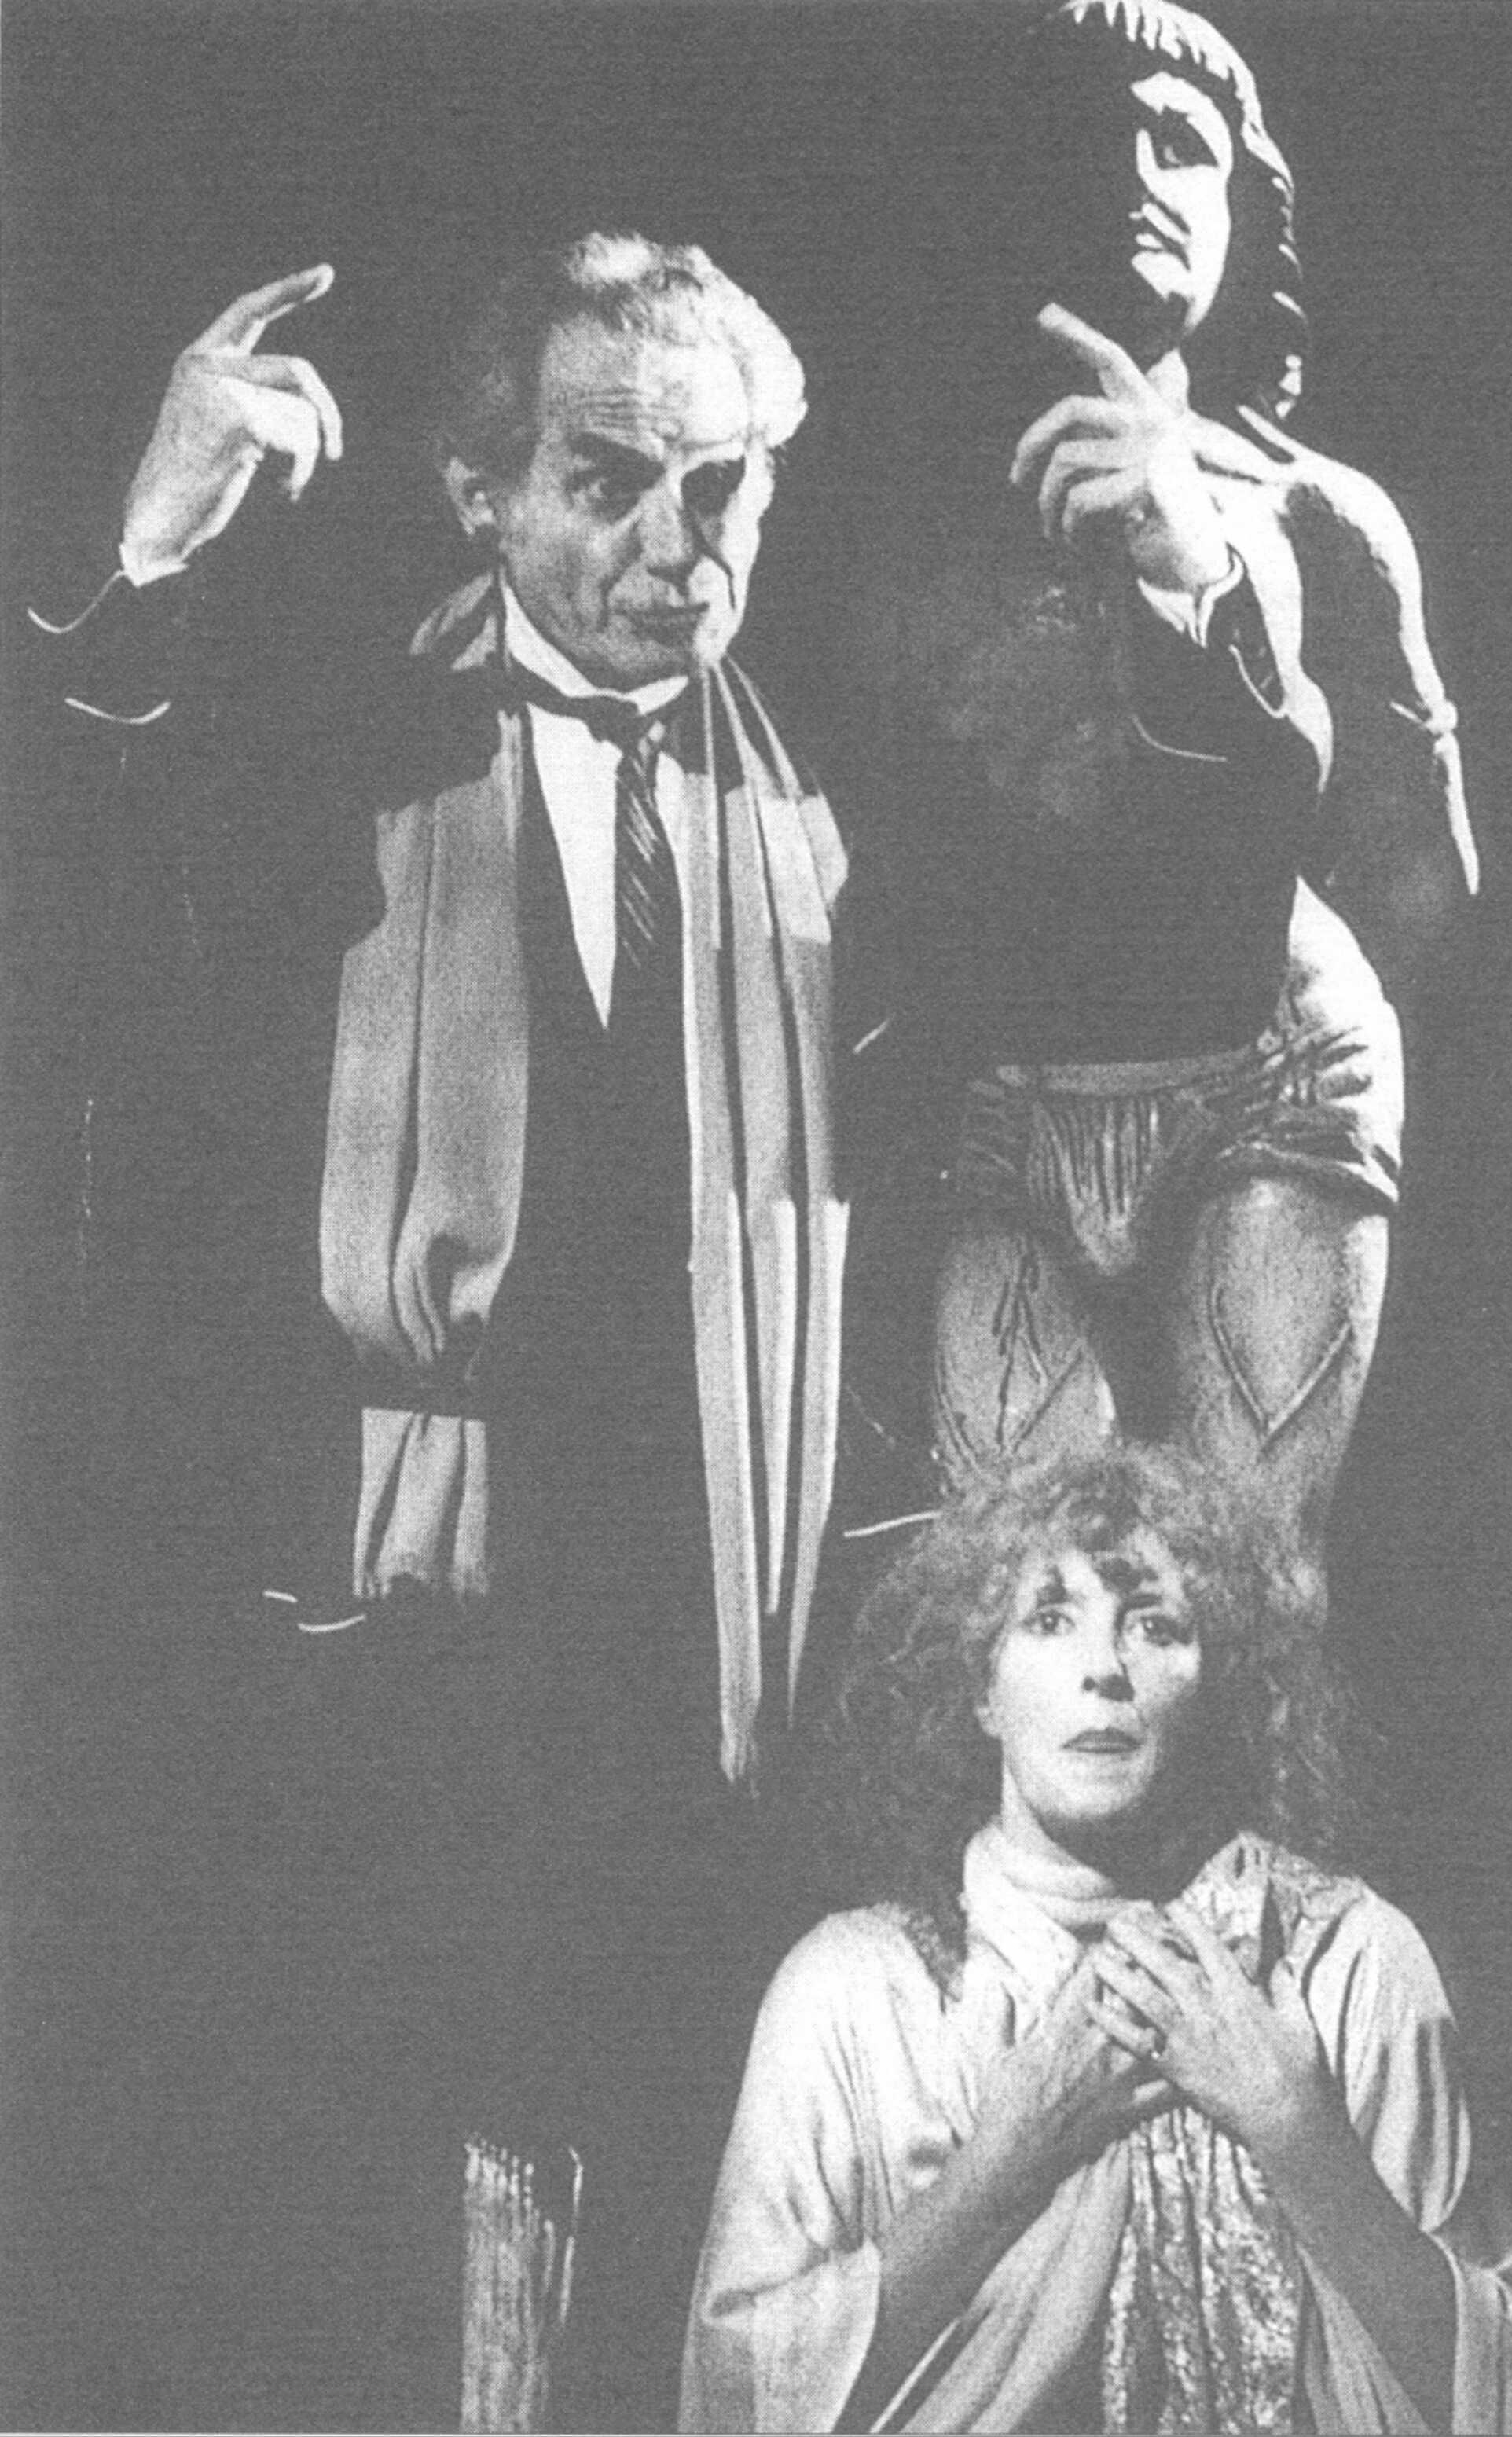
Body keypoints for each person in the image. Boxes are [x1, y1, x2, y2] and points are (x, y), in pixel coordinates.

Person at [32, 233, 846, 2428]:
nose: (678, 546)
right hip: (391, 1612)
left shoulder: (827, 798)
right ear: (479, 495)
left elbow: (1148, 946)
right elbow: (71, 891)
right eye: (610, 482)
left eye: (724, 487)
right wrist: (147, 544)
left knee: (666, 2187)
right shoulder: (331, 738)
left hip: (713, 1621)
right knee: (380, 2226)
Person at [835, 0, 1478, 1572]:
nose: (1137, 171)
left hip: (1273, 1075)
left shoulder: (1322, 517)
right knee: (1023, 1588)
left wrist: (1199, 577)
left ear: (1246, 208)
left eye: (1181, 143)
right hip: (1007, 1095)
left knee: (1247, 1573)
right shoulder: (907, 516)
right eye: (1090, 135)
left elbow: (1422, 880)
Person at [681, 1448, 1512, 2433]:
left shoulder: (1345, 1961)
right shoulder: (856, 1988)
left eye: (1154, 1624)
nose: (1103, 1668)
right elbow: (735, 2398)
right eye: (1049, 1618)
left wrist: (1294, 2128)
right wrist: (1002, 2164)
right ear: (981, 1689)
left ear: (1222, 1684)